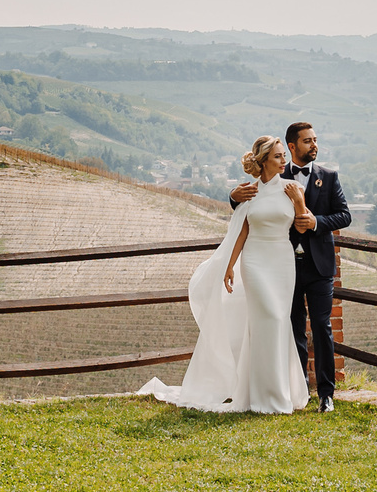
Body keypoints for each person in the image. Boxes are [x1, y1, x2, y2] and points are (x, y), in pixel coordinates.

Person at [138, 136, 310, 415]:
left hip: (282, 261)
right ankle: (262, 396)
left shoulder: (293, 188)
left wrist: (300, 201)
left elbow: (302, 228)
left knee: (279, 321)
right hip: (254, 261)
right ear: (264, 160)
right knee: (265, 320)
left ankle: (279, 392)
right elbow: (242, 231)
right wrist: (229, 266)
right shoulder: (249, 192)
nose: (284, 161)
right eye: (278, 156)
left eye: (283, 156)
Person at [228, 121, 351, 412]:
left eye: (315, 139)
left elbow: (344, 216)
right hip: (282, 265)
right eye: (307, 141)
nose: (314, 145)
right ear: (292, 146)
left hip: (318, 265)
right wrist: (232, 197)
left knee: (321, 326)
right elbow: (247, 211)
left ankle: (326, 394)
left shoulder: (329, 177)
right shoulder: (272, 178)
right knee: (291, 326)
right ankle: (298, 390)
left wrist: (317, 222)